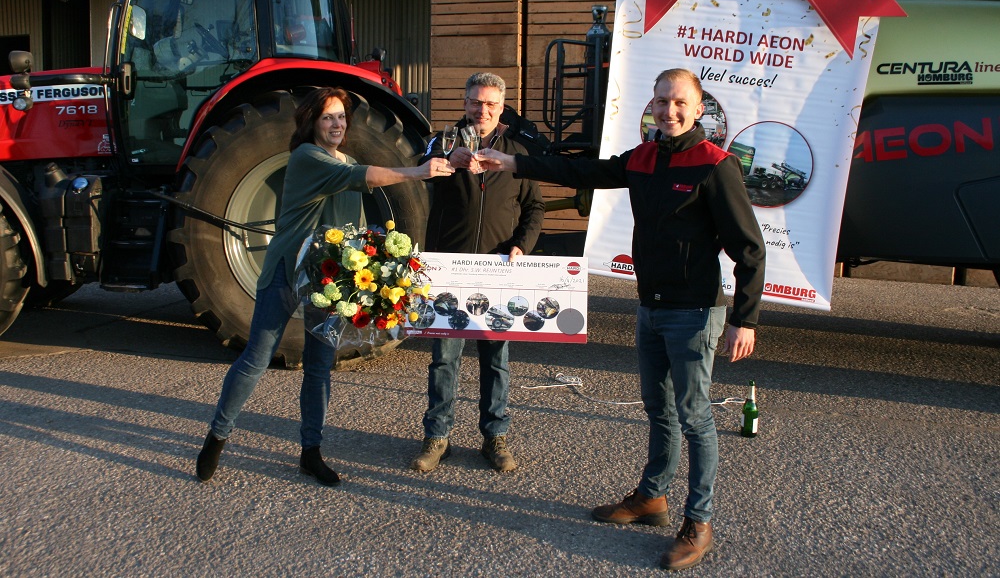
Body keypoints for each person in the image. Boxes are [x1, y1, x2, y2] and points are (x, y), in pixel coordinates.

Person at [478, 68, 765, 570]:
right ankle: (652, 498)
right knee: (659, 410)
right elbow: (582, 173)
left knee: (694, 417)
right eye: (660, 102)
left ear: (700, 110)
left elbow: (750, 249)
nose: (669, 111)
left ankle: (699, 521)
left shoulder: (715, 166)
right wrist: (512, 162)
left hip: (695, 312)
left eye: (679, 103)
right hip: (651, 307)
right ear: (650, 106)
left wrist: (745, 319)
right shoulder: (644, 158)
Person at [196, 87, 454, 486]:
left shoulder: (345, 158)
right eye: (328, 117)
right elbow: (360, 177)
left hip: (328, 279)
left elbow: (349, 224)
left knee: (319, 367)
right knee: (258, 356)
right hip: (287, 269)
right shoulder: (306, 158)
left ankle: (310, 452)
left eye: (340, 117)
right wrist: (417, 172)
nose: (337, 124)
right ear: (312, 124)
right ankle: (218, 435)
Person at [410, 72, 545, 473]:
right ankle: (437, 436)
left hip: (499, 271)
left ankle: (495, 437)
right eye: (474, 102)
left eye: (490, 104)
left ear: (501, 107)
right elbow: (421, 164)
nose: (481, 110)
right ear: (465, 103)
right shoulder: (444, 142)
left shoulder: (518, 151)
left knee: (496, 360)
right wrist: (446, 161)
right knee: (444, 359)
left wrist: (523, 244)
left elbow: (534, 208)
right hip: (450, 270)